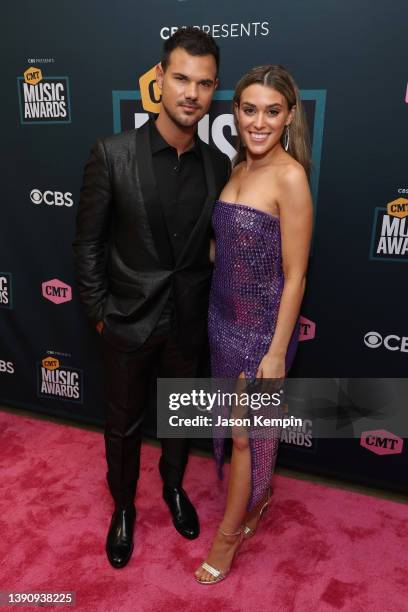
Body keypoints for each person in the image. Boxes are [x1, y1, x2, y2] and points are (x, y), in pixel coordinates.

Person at [73, 27, 230, 569]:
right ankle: (122, 506)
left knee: (181, 418)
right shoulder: (112, 154)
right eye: (182, 77)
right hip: (127, 320)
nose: (192, 93)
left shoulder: (218, 165)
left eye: (205, 83)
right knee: (122, 423)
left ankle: (173, 488)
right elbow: (88, 243)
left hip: (188, 320)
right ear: (158, 79)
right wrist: (99, 315)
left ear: (214, 91)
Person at [195, 64, 313, 583]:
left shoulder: (290, 176)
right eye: (248, 110)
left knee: (244, 435)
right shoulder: (238, 168)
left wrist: (274, 350)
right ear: (235, 112)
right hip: (222, 321)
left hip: (262, 332)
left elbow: (296, 275)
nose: (258, 122)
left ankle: (227, 537)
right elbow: (227, 249)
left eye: (271, 111)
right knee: (238, 429)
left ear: (289, 116)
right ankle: (257, 500)